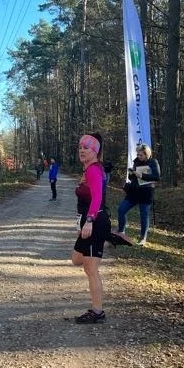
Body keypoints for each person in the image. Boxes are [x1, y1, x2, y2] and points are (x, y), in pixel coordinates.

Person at [71, 132, 111, 324]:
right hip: (89, 223)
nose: (82, 151)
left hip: (96, 222)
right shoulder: (89, 170)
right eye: (80, 147)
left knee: (90, 267)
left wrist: (89, 221)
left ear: (95, 151)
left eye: (86, 148)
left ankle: (97, 311)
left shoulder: (94, 170)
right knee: (76, 259)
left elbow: (97, 198)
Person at [117, 143, 160, 245]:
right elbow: (133, 178)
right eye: (138, 154)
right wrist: (132, 175)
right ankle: (121, 232)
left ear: (147, 154)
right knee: (121, 209)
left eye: (141, 155)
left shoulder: (153, 162)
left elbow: (156, 177)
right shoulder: (136, 162)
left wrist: (141, 175)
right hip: (134, 191)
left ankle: (142, 238)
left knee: (144, 215)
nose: (139, 156)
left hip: (146, 192)